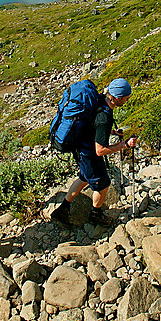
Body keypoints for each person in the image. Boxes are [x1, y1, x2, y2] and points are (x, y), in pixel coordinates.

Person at [51, 78, 137, 227]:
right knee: (103, 185)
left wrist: (111, 132)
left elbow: (92, 125)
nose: (127, 100)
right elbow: (100, 150)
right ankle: (95, 215)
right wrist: (125, 144)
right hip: (88, 154)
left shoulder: (98, 99)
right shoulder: (105, 116)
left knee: (84, 177)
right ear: (117, 97)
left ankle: (61, 210)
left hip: (79, 147)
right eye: (126, 98)